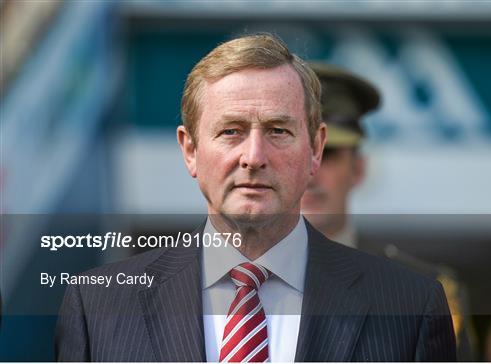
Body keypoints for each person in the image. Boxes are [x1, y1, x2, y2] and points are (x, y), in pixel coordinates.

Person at [55, 34, 456, 362]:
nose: (254, 157)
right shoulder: (99, 307)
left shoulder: (409, 307)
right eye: (230, 131)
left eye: (278, 131)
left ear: (315, 149)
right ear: (190, 150)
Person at [301, 62, 476, 361]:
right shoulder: (243, 281)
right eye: (301, 153)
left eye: (327, 154)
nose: (311, 172)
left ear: (358, 169)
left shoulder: (421, 292)